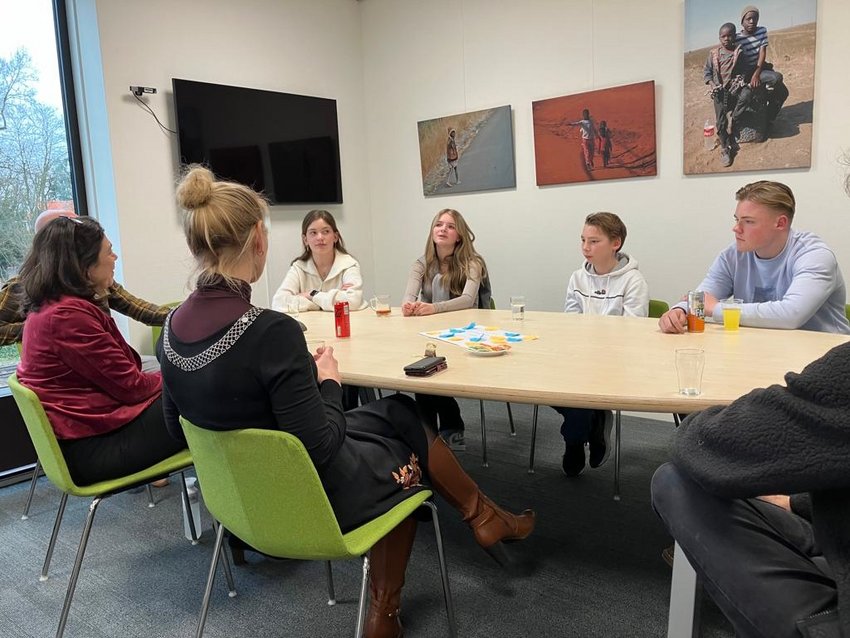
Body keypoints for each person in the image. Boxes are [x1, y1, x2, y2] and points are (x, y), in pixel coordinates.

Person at [159, 166, 535, 638]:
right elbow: (320, 445)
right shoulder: (270, 332)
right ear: (259, 238)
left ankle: (485, 515)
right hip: (312, 497)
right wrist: (329, 382)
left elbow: (178, 431)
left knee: (399, 408)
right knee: (406, 451)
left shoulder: (171, 328)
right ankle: (385, 613)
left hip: (240, 501)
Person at [15, 216, 185, 485]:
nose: (115, 257)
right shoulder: (67, 318)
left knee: (207, 396)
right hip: (94, 451)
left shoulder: (50, 308)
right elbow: (133, 387)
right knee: (208, 396)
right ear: (84, 268)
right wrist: (187, 375)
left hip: (86, 438)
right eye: (108, 252)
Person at [658, 180, 850, 336]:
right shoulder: (732, 256)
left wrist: (715, 308)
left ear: (780, 223)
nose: (736, 228)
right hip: (762, 350)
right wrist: (680, 311)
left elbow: (791, 315)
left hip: (824, 361)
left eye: (748, 221)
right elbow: (703, 297)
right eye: (736, 219)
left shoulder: (814, 255)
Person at [556, 213, 649, 476]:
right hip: (582, 357)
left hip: (617, 362)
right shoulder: (577, 278)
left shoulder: (633, 281)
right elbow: (571, 321)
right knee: (539, 383)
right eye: (583, 240)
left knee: (578, 394)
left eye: (594, 241)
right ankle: (594, 421)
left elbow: (633, 330)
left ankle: (573, 441)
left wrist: (594, 342)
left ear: (615, 243)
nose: (586, 247)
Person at [0, 210, 171, 347]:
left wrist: (184, 317)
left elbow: (139, 309)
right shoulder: (22, 287)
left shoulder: (95, 281)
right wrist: (43, 328)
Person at [402, 208, 490, 451]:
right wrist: (409, 305)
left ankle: (444, 427)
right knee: (422, 372)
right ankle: (433, 433)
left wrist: (433, 308)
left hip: (466, 334)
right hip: (431, 334)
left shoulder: (473, 263)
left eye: (450, 226)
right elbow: (408, 296)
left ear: (459, 235)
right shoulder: (421, 264)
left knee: (429, 372)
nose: (443, 229)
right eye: (439, 225)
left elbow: (467, 300)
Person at [270, 209, 366, 314]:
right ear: (305, 239)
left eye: (325, 232)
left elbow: (353, 301)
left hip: (345, 326)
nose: (320, 237)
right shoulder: (298, 268)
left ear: (335, 237)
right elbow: (278, 302)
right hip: (311, 327)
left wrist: (311, 294)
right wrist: (330, 300)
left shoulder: (349, 264)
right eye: (313, 233)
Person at [703, 22, 752, 168]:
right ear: (719, 38)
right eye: (723, 36)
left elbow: (745, 69)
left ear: (735, 36)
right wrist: (712, 84)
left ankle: (735, 120)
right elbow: (707, 73)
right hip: (719, 92)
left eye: (730, 35)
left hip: (734, 90)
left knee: (747, 94)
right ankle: (725, 148)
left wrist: (740, 80)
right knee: (720, 122)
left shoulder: (739, 52)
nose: (726, 39)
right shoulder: (713, 54)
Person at [737, 5, 788, 124]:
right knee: (776, 77)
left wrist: (756, 74)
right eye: (748, 19)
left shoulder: (761, 31)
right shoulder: (737, 38)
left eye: (755, 18)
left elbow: (762, 53)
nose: (752, 21)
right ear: (742, 21)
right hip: (746, 72)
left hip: (760, 68)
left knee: (783, 91)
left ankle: (769, 117)